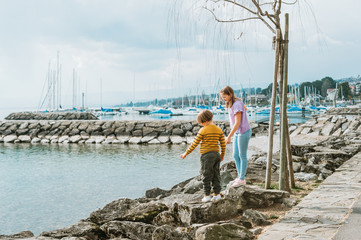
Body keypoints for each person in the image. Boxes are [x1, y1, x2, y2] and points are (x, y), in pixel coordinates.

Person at [180, 110, 226, 202]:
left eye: (201, 123)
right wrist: (222, 155)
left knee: (206, 175)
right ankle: (217, 194)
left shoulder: (203, 130)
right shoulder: (218, 129)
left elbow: (194, 144)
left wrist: (186, 153)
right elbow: (223, 144)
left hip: (206, 156)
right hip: (216, 155)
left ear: (204, 121)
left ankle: (207, 195)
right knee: (216, 174)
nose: (201, 125)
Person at [219, 86, 252, 187]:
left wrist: (228, 136)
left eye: (225, 97)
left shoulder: (237, 104)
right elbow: (245, 108)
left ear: (230, 94)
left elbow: (237, 123)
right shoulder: (233, 103)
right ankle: (240, 177)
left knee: (242, 155)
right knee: (235, 155)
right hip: (238, 132)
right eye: (222, 97)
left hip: (243, 131)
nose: (223, 99)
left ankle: (242, 179)